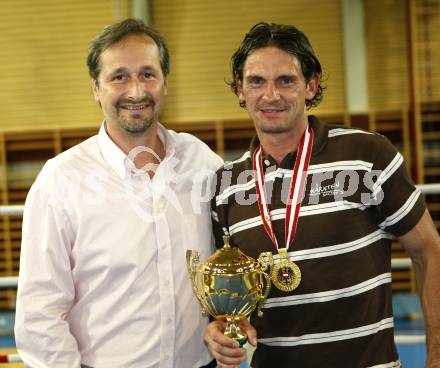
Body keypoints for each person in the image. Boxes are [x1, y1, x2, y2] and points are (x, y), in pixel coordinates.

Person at [205, 22, 440, 368]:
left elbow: (429, 251)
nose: (271, 95)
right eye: (256, 81)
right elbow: (230, 298)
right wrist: (221, 328)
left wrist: (436, 356)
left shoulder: (367, 154)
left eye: (286, 80)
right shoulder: (227, 184)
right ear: (240, 89)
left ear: (310, 85)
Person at [15, 18, 222, 368]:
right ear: (96, 88)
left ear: (165, 83)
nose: (137, 91)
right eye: (119, 76)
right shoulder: (61, 180)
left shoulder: (201, 161)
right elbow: (39, 313)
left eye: (147, 74)